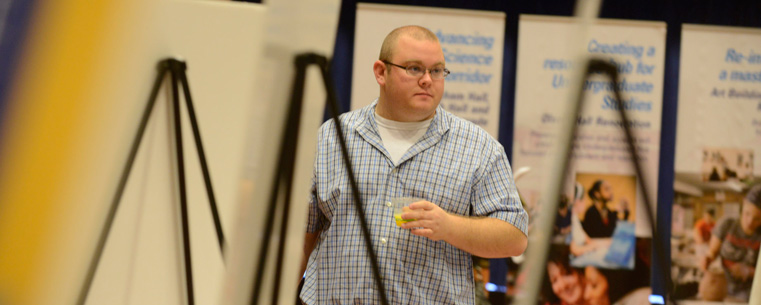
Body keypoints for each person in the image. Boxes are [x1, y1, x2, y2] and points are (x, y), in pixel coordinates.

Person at [299, 25, 529, 304]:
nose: (427, 80)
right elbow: (305, 230)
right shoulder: (332, 135)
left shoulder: (479, 147)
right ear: (381, 72)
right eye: (414, 68)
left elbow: (514, 237)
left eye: (437, 70)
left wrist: (449, 226)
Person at [700, 183, 761, 302]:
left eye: (757, 218)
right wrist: (707, 259)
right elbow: (712, 252)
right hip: (722, 286)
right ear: (743, 205)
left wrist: (749, 271)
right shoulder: (727, 224)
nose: (749, 221)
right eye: (747, 214)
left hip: (749, 293)